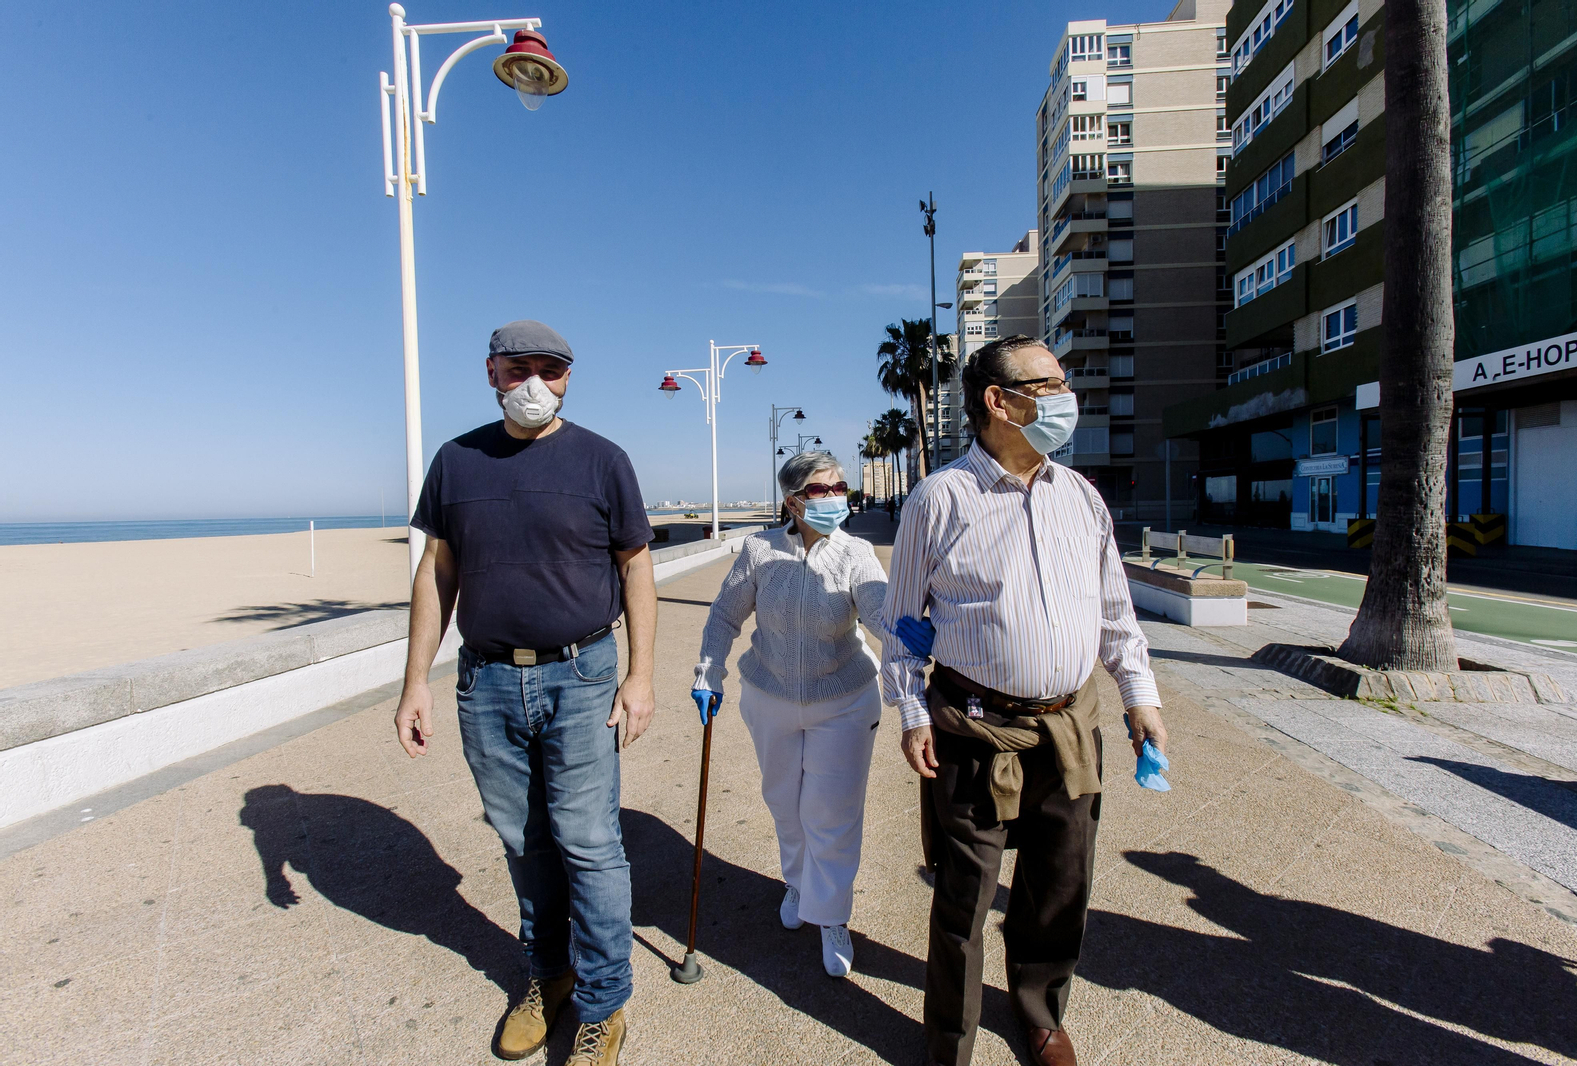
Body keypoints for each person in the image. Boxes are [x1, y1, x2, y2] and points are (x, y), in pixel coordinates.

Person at [880, 335, 1168, 1066]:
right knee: (963, 900)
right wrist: (912, 712)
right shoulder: (940, 499)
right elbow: (904, 624)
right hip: (974, 728)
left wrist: (1139, 698)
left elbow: (1115, 614)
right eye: (1048, 383)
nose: (1066, 396)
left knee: (1058, 888)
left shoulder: (1082, 498)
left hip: (1070, 727)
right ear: (998, 401)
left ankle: (1039, 1015)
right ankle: (949, 1039)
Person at [394, 320, 656, 1066]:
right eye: (519, 369)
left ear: (570, 378)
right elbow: (436, 574)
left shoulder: (604, 461)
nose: (535, 383)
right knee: (522, 840)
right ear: (491, 373)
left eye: (551, 369)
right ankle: (550, 975)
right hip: (486, 680)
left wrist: (639, 677)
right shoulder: (457, 462)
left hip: (580, 675)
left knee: (590, 842)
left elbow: (636, 566)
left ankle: (605, 1006)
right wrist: (416, 682)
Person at [691, 451, 888, 977]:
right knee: (785, 802)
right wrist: (709, 671)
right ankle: (798, 883)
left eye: (840, 486)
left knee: (832, 813)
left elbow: (878, 608)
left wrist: (906, 632)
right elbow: (724, 616)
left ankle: (831, 917)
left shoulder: (857, 552)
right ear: (793, 500)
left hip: (843, 699)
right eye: (822, 490)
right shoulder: (759, 551)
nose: (836, 497)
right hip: (770, 696)